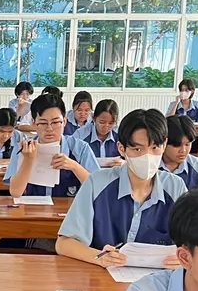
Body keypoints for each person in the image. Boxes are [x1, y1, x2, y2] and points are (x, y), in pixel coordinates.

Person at [56, 110, 185, 267]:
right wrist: (99, 257)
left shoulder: (176, 188)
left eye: (154, 148)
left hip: (157, 284)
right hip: (102, 282)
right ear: (121, 148)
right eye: (138, 149)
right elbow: (64, 243)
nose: (147, 156)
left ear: (164, 145)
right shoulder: (97, 183)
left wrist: (185, 258)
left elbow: (196, 245)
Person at [6, 94, 101, 200]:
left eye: (56, 122)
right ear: (34, 123)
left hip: (70, 212)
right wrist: (28, 160)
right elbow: (15, 192)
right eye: (43, 123)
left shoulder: (80, 148)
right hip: (32, 212)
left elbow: (97, 188)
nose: (49, 129)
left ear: (64, 121)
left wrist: (75, 167)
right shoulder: (23, 148)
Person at [76, 99, 121, 164]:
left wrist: (123, 163)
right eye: (102, 122)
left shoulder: (120, 135)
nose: (106, 126)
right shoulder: (81, 134)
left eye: (111, 123)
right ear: (94, 118)